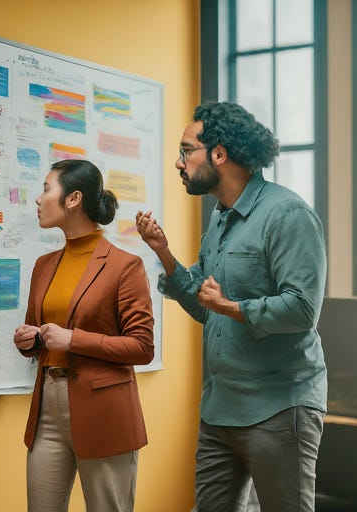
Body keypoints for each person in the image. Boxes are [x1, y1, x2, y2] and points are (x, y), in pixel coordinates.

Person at [136, 101, 327, 512]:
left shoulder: (288, 214)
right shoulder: (220, 218)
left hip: (280, 407)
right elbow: (206, 308)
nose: (178, 162)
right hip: (220, 409)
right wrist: (164, 253)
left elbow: (302, 310)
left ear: (219, 154)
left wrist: (231, 307)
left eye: (187, 150)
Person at [13, 159, 154, 512]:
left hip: (104, 411)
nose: (39, 199)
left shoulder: (125, 265)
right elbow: (41, 334)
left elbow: (142, 346)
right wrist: (28, 340)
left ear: (73, 199)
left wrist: (72, 339)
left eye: (47, 189)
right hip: (47, 405)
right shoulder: (44, 265)